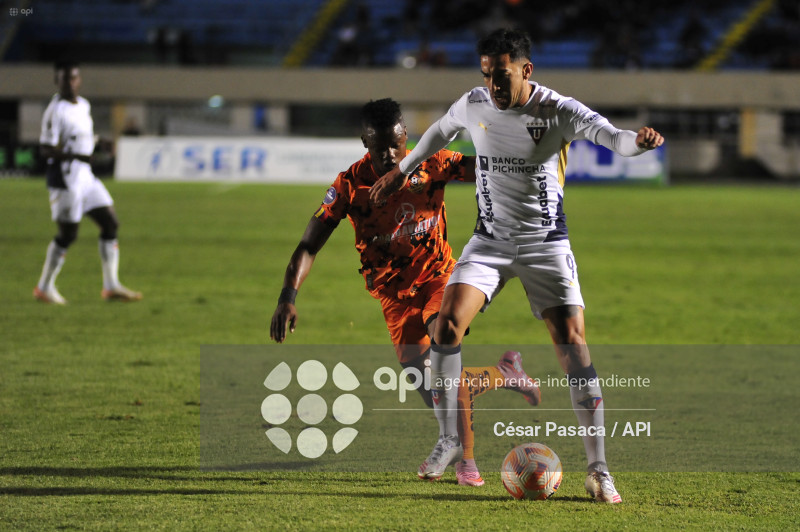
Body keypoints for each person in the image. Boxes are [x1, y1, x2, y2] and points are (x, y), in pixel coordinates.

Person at [370, 28, 664, 503]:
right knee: (445, 327)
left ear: (526, 70)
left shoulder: (558, 110)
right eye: (487, 76)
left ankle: (599, 470)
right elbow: (438, 133)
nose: (493, 87)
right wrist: (398, 172)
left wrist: (641, 141)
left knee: (572, 346)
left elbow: (615, 138)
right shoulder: (473, 103)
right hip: (489, 242)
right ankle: (450, 438)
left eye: (502, 76)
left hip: (545, 244)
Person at [270, 98, 541, 486]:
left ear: (407, 136)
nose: (390, 154)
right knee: (432, 386)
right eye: (380, 147)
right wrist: (287, 297)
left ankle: (464, 457)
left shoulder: (431, 163)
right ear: (364, 141)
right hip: (393, 296)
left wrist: (520, 155)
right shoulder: (350, 186)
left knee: (443, 345)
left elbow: (486, 168)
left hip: (440, 279)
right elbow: (309, 245)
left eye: (396, 144)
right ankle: (504, 373)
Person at [34, 61, 142, 305]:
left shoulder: (83, 105)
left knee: (110, 223)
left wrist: (100, 142)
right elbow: (45, 149)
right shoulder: (55, 111)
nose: (70, 84)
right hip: (65, 178)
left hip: (85, 176)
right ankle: (44, 287)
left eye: (73, 79)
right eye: (64, 80)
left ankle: (111, 285)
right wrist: (77, 156)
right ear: (57, 82)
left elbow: (81, 135)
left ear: (79, 80)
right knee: (68, 234)